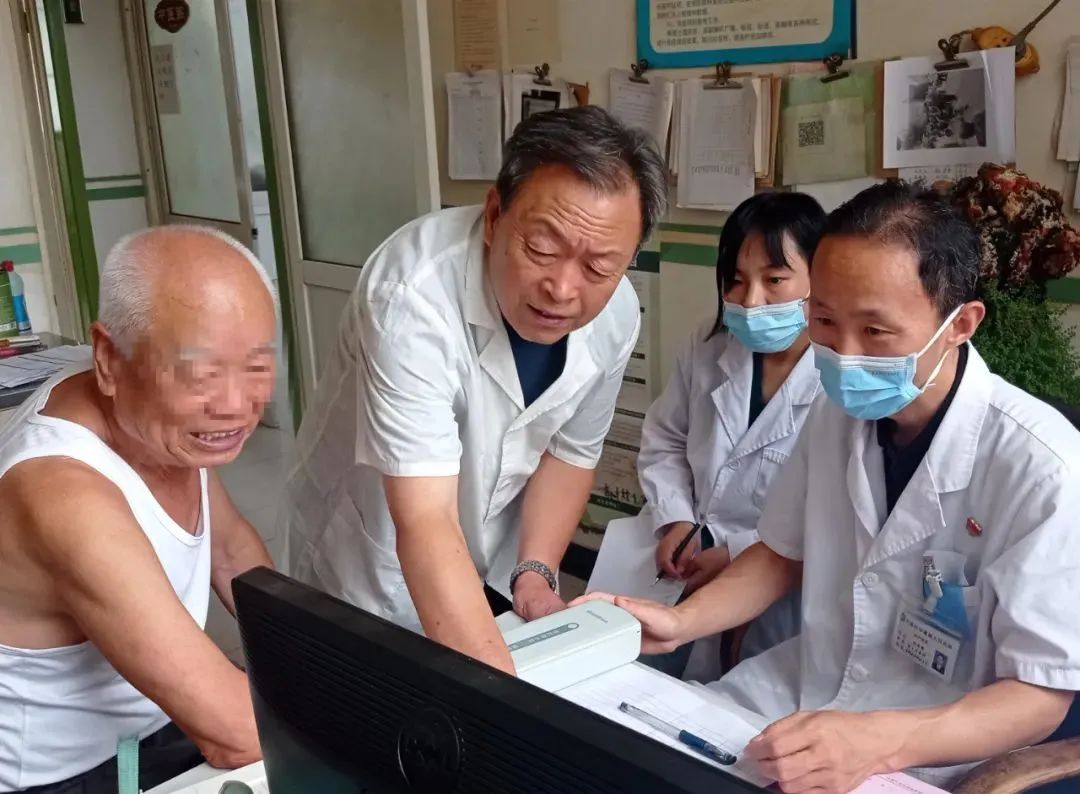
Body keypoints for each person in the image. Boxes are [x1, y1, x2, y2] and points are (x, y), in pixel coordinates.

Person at [580, 182, 1080, 791]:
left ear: (960, 324)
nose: (843, 355)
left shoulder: (1043, 468)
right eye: (824, 321)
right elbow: (780, 555)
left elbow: (1040, 694)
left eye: (875, 331)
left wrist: (878, 742)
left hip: (932, 750)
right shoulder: (836, 414)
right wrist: (681, 623)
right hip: (795, 693)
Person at [282, 106, 667, 675]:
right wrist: (502, 702)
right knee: (356, 688)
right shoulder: (412, 295)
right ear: (493, 216)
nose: (563, 288)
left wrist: (535, 572)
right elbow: (426, 517)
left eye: (599, 266)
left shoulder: (617, 314)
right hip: (372, 550)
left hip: (477, 546)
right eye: (542, 249)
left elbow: (570, 452)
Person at [0, 227, 277, 793]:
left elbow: (231, 552)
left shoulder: (159, 422)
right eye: (201, 372)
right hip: (61, 776)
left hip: (153, 723)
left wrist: (315, 659)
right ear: (108, 358)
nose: (234, 405)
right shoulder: (64, 493)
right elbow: (235, 734)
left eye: (256, 367)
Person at [634, 192, 825, 681]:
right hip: (679, 566)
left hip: (782, 598)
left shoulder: (840, 380)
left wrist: (736, 554)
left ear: (821, 277)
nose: (751, 300)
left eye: (774, 280)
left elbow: (831, 511)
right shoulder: (710, 344)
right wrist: (675, 518)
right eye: (736, 281)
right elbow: (665, 439)